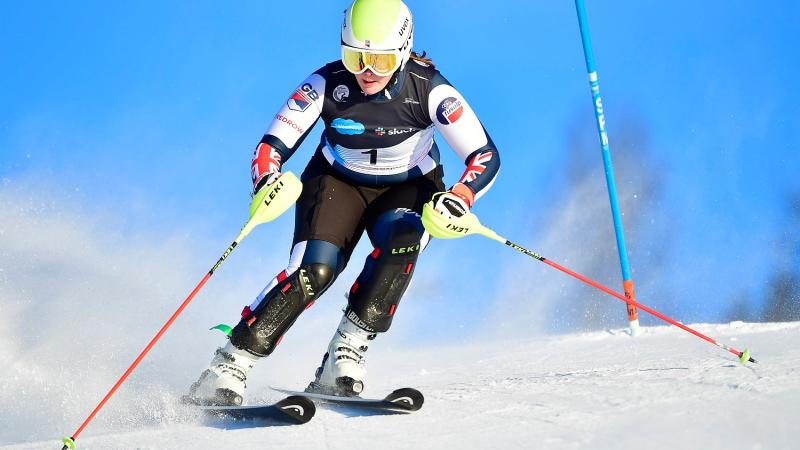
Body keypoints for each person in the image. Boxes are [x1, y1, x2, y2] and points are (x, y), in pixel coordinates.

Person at [187, 0, 500, 406]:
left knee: (402, 242)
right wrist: (266, 180)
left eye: (380, 60)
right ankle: (229, 364)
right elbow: (272, 145)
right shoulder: (325, 83)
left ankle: (345, 354)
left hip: (408, 186)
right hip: (337, 180)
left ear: (403, 51)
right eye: (355, 56)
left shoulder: (430, 89)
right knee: (314, 270)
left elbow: (484, 154)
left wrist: (461, 195)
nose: (366, 71)